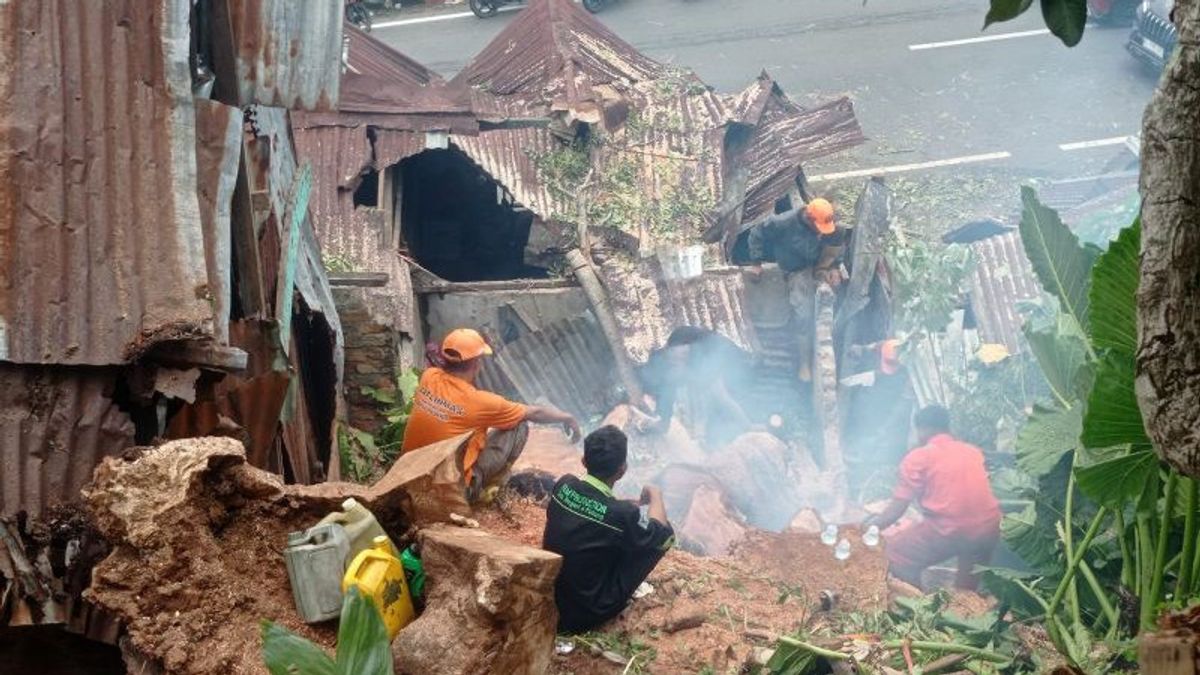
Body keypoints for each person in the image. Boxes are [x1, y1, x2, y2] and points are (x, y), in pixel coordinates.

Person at [402, 328, 582, 502]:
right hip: (453, 494)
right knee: (518, 424)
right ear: (476, 363)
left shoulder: (429, 377)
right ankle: (488, 488)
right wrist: (568, 417)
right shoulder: (479, 402)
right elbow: (535, 412)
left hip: (409, 479)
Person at [543, 426, 675, 633]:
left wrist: (623, 507)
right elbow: (660, 534)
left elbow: (594, 509)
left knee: (606, 535)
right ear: (622, 470)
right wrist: (655, 494)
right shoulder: (620, 515)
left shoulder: (564, 485)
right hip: (587, 611)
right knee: (658, 540)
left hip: (551, 595)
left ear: (584, 461)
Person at [865, 405, 1001, 590]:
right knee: (966, 586)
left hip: (951, 529)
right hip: (989, 528)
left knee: (897, 555)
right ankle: (964, 612)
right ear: (946, 427)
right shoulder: (972, 451)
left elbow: (897, 510)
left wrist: (870, 527)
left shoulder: (919, 457)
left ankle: (918, 609)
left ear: (922, 429)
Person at [742, 198, 848, 381]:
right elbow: (756, 233)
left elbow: (836, 244)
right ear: (808, 217)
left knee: (835, 300)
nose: (820, 233)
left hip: (819, 264)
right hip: (797, 269)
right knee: (804, 312)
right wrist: (756, 262)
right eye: (818, 228)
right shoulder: (782, 222)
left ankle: (832, 351)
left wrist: (835, 266)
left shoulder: (830, 223)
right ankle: (804, 363)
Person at [637, 326, 757, 448]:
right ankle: (740, 430)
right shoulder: (670, 368)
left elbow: (723, 398)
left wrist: (748, 425)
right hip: (711, 357)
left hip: (730, 360)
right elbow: (666, 395)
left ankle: (743, 429)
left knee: (720, 403)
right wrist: (661, 422)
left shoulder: (698, 354)